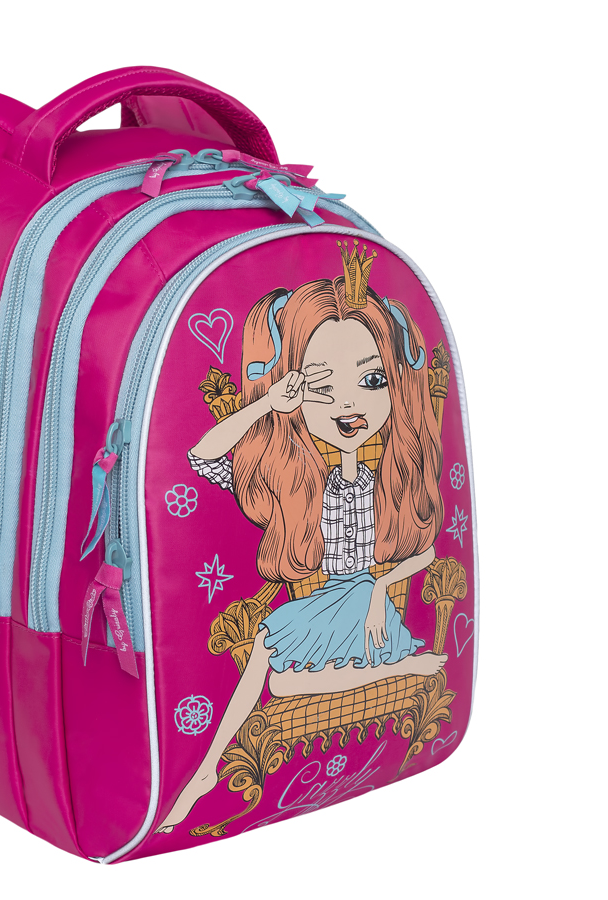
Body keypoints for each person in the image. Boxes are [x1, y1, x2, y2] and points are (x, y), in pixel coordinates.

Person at [157, 243, 447, 834]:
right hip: (325, 605)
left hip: (364, 604)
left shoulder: (387, 477)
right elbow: (201, 455)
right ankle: (205, 773)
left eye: (371, 379)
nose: (349, 405)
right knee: (276, 664)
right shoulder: (297, 480)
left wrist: (379, 589)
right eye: (324, 388)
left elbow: (428, 549)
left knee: (277, 669)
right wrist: (267, 403)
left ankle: (206, 772)